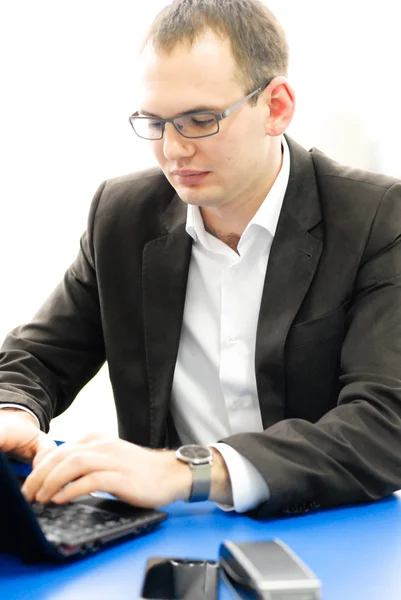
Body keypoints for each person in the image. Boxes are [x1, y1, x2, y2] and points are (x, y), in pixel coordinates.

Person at [1, 0, 401, 519]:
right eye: (154, 122)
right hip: (171, 536)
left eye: (199, 120)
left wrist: (185, 471)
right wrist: (13, 411)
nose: (172, 150)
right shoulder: (121, 217)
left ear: (276, 107)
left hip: (330, 529)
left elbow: (386, 422)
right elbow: (38, 357)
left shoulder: (375, 217)